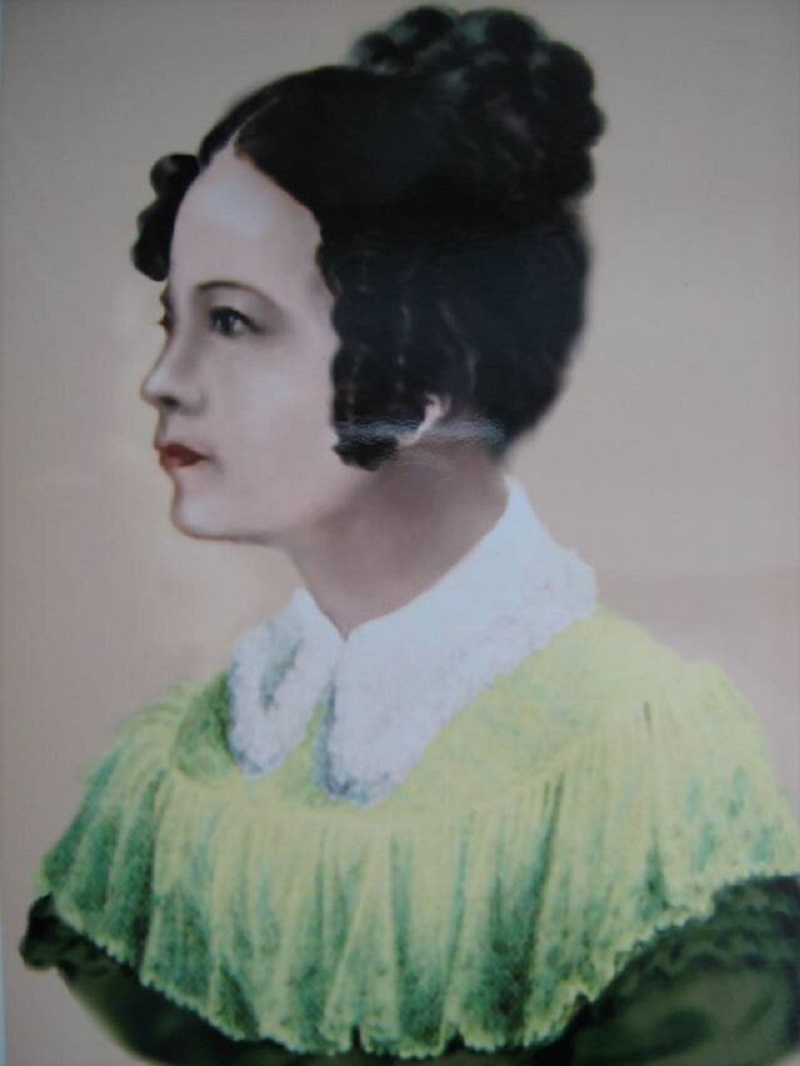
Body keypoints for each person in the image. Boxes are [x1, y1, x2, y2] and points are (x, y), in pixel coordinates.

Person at [20, 5, 800, 1064]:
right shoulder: (180, 765)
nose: (164, 380)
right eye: (174, 320)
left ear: (423, 376)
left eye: (233, 321)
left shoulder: (644, 766)